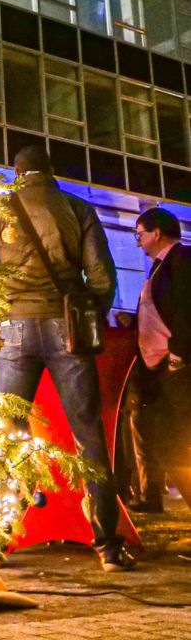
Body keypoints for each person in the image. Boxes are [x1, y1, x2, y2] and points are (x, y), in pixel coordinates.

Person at [0, 145, 135, 572]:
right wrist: (87, 318)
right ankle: (108, 546)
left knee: (8, 435)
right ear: (50, 171)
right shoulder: (76, 208)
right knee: (88, 434)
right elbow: (101, 275)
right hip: (67, 328)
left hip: (13, 329)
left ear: (18, 172)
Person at [130, 208, 191, 514]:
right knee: (165, 438)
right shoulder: (158, 267)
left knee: (179, 440)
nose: (137, 242)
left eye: (139, 234)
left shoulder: (183, 260)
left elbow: (185, 308)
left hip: (177, 367)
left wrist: (178, 356)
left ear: (157, 233)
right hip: (159, 367)